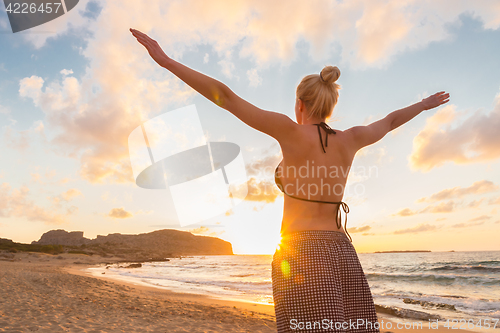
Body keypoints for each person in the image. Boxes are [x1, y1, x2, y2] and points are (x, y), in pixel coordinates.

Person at [130, 28, 450, 332]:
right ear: (329, 104)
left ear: (299, 103)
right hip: (343, 253)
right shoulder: (352, 138)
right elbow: (391, 120)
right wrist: (423, 105)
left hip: (301, 252)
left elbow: (225, 97)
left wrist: (167, 61)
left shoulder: (289, 131)